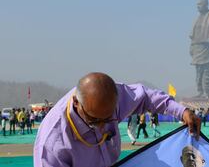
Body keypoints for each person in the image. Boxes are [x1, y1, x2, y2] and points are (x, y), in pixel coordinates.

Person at [34, 72, 200, 167]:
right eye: (94, 121)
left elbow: (146, 98)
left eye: (108, 119)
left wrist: (182, 112)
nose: (102, 128)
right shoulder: (52, 143)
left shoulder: (113, 98)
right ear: (77, 103)